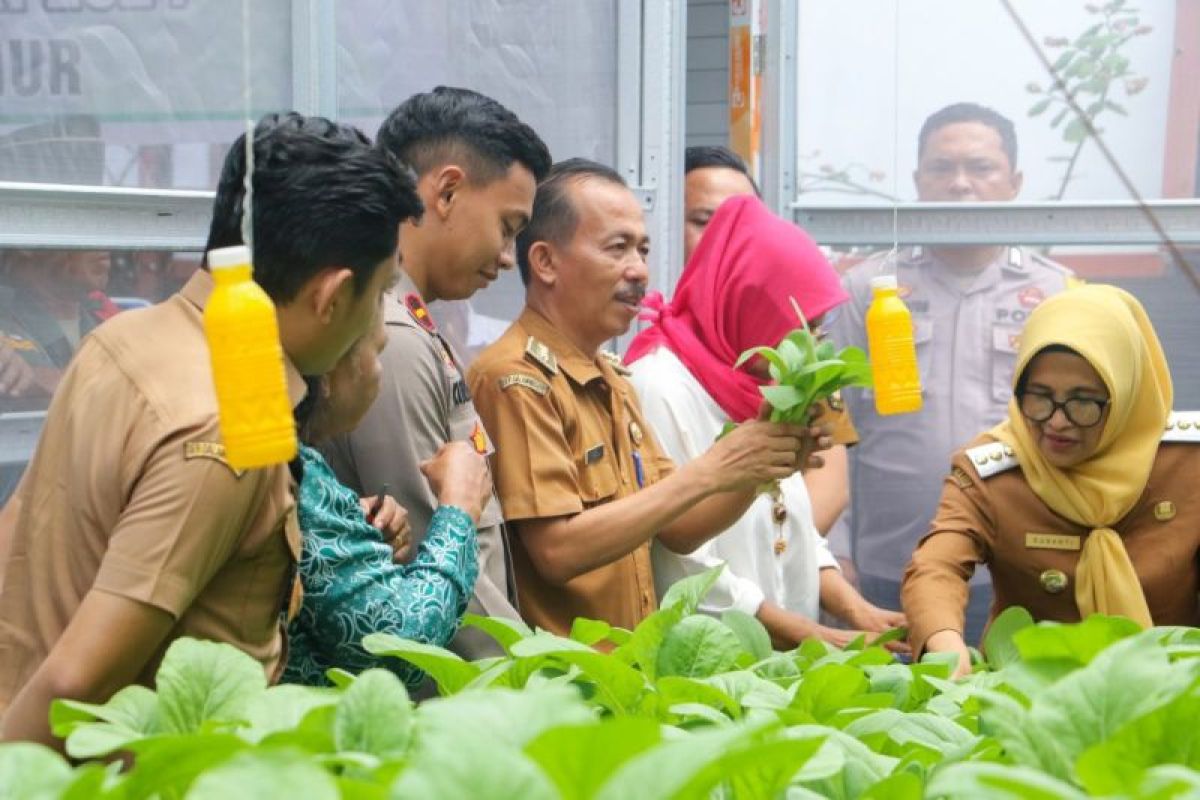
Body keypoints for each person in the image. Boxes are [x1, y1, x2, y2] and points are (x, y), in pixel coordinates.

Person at [0, 112, 422, 748]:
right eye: (381, 291)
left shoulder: (121, 339)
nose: (381, 321)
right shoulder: (229, 431)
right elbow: (75, 682)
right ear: (332, 296)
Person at [467, 158, 827, 635]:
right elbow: (557, 551)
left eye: (643, 249)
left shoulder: (612, 377)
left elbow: (678, 530)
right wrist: (713, 469)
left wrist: (755, 468)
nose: (638, 270)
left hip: (627, 672)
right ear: (546, 262)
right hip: (562, 680)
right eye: (617, 249)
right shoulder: (515, 377)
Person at [319, 86, 551, 660]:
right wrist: (525, 684)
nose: (506, 257)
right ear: (446, 191)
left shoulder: (412, 324)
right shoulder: (393, 342)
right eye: (507, 226)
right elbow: (435, 562)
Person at [831, 102, 1076, 643]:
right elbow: (830, 427)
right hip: (885, 571)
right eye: (942, 168)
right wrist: (834, 553)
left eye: (981, 168)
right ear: (919, 181)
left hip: (1018, 571)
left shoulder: (1058, 295)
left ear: (1014, 182)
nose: (961, 183)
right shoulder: (869, 288)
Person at [626, 195, 905, 649]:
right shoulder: (658, 385)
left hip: (776, 660)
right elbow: (681, 564)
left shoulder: (761, 386)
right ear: (750, 306)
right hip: (706, 665)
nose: (813, 345)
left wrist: (855, 610)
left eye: (819, 326)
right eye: (803, 325)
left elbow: (788, 521)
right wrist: (813, 636)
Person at [903, 285, 1199, 677]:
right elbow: (936, 567)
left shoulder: (1187, 461)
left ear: (1126, 391)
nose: (1056, 421)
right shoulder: (992, 471)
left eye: (1083, 402)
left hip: (1173, 689)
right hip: (1033, 702)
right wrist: (945, 644)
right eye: (1039, 397)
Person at [285, 325, 492, 688]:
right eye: (378, 352)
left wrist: (353, 528)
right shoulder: (297, 470)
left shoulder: (300, 465)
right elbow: (399, 645)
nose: (383, 369)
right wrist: (459, 510)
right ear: (331, 369)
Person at [683, 145, 857, 542]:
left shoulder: (788, 342)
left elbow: (829, 477)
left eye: (742, 225)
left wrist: (780, 558)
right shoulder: (654, 350)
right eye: (703, 221)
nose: (725, 239)